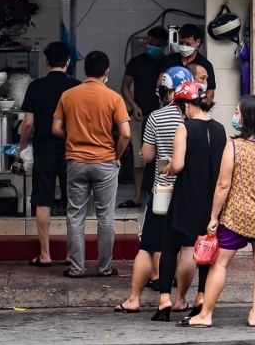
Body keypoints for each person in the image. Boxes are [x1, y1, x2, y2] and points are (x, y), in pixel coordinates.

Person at [187, 95, 255, 328]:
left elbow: (223, 185)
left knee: (220, 264)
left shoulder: (234, 147)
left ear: (248, 118)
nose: (236, 115)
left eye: (238, 112)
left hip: (236, 216)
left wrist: (213, 217)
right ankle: (254, 315)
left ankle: (206, 314)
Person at [115, 66, 197, 313]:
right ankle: (181, 299)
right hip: (189, 193)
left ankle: (134, 299)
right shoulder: (195, 117)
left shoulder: (156, 117)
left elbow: (148, 156)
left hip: (163, 191)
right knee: (187, 247)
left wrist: (144, 151)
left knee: (149, 246)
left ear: (165, 92)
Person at [52, 50, 131, 278]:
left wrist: (75, 137)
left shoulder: (68, 95)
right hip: (105, 162)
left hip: (76, 162)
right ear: (106, 71)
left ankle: (76, 268)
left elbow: (56, 129)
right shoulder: (114, 98)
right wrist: (117, 156)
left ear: (85, 70)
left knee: (75, 215)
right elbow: (125, 134)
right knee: (105, 216)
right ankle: (104, 268)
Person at [153, 80, 227, 322]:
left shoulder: (184, 129)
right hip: (211, 199)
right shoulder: (220, 129)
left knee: (170, 246)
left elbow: (179, 164)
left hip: (186, 197)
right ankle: (202, 296)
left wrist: (168, 170)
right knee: (207, 248)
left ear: (185, 104)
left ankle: (165, 297)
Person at [17, 42, 80, 266]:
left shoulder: (36, 87)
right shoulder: (76, 87)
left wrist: (21, 148)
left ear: (46, 62)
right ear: (68, 62)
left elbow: (28, 122)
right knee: (73, 202)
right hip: (70, 151)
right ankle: (71, 254)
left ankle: (45, 255)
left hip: (43, 150)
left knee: (42, 200)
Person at [120, 27, 170, 208]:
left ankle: (162, 194)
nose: (152, 47)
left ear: (164, 45)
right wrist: (133, 106)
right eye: (150, 44)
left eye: (157, 45)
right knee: (138, 158)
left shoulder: (168, 63)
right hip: (139, 117)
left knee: (162, 156)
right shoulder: (136, 62)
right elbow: (125, 86)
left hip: (162, 116)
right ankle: (138, 195)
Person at [163, 24, 215, 108]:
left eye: (188, 44)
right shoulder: (170, 60)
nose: (184, 46)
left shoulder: (205, 64)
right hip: (172, 108)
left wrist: (199, 109)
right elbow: (161, 83)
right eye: (181, 43)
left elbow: (210, 94)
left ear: (197, 42)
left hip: (196, 109)